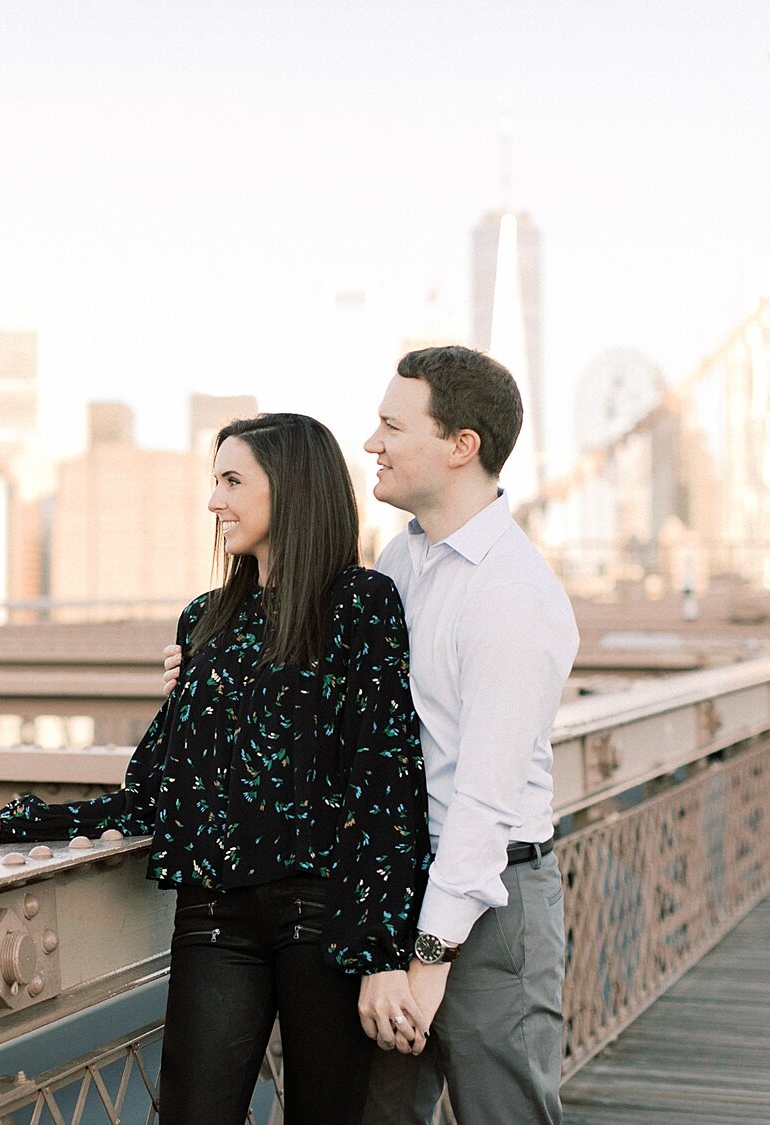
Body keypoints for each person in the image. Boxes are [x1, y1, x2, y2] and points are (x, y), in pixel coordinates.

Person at [0, 412, 431, 1125]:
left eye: (232, 480)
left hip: (324, 917)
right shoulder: (206, 619)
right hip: (215, 913)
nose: (215, 501)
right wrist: (19, 819)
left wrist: (380, 951)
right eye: (213, 480)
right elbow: (155, 789)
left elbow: (385, 787)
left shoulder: (360, 605)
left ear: (290, 488)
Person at [163, 347, 578, 1124]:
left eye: (392, 424)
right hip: (393, 890)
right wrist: (209, 671)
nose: (371, 443)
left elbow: (484, 802)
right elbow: (339, 709)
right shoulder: (400, 561)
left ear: (461, 445)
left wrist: (425, 958)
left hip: (485, 902)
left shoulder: (513, 595)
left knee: (504, 1112)